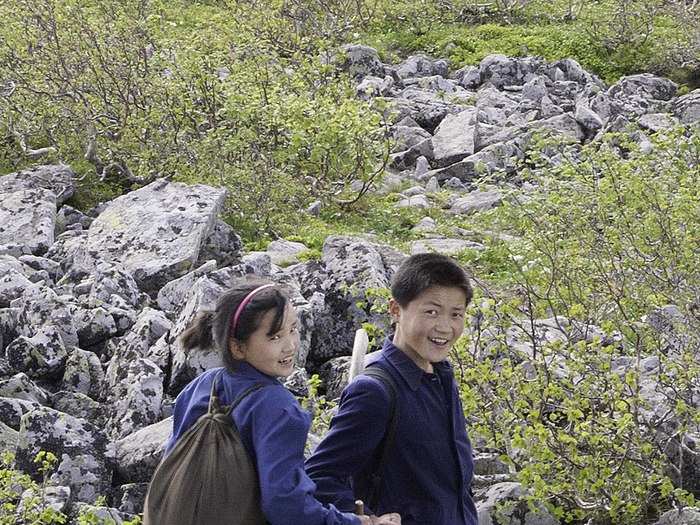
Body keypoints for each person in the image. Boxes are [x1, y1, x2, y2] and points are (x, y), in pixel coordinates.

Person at [165, 280, 401, 525]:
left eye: (293, 329)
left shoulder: (201, 386)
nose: (290, 346)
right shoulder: (278, 408)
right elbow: (287, 506)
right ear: (237, 347)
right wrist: (357, 522)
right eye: (274, 336)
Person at [306, 254, 478, 525]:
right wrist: (368, 520)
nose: (445, 327)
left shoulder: (441, 376)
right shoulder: (375, 391)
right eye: (431, 311)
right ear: (395, 310)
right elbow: (319, 477)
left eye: (456, 314)